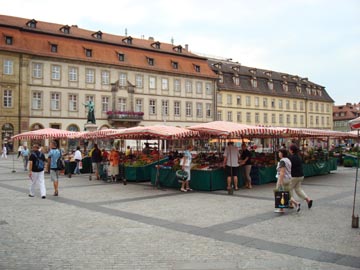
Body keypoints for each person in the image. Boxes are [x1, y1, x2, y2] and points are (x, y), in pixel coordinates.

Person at [288, 144, 313, 209]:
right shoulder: (299, 157)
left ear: (291, 150)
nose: (289, 150)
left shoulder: (290, 157)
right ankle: (308, 199)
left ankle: (292, 203)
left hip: (293, 176)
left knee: (289, 189)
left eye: (289, 149)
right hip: (300, 175)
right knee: (298, 189)